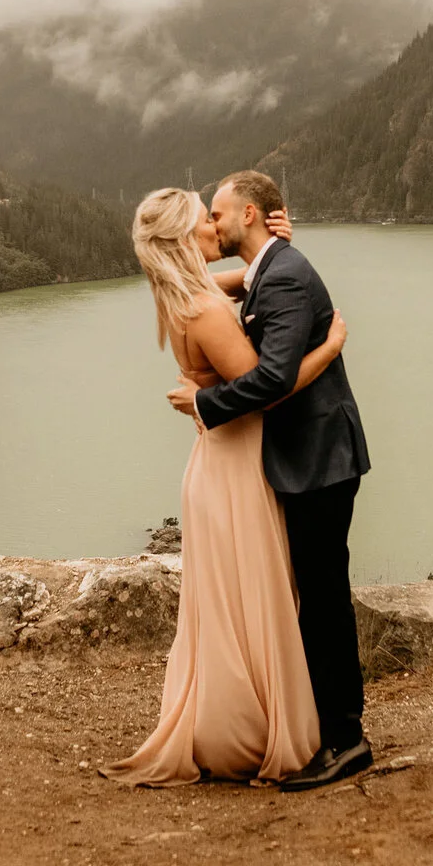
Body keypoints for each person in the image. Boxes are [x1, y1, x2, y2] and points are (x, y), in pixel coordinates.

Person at [110, 189, 352, 785]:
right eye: (203, 219)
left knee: (231, 601)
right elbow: (270, 386)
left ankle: (247, 717)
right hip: (238, 462)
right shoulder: (205, 308)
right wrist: (329, 347)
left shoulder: (183, 295)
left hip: (216, 462)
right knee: (256, 597)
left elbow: (248, 282)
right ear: (186, 239)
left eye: (215, 212)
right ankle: (257, 730)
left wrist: (273, 252)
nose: (213, 225)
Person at [167, 171, 373, 793]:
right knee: (308, 592)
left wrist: (207, 404)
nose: (214, 223)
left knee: (322, 597)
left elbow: (275, 379)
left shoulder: (281, 274)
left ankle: (346, 740)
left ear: (250, 214)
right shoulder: (269, 268)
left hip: (319, 461)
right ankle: (321, 726)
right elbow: (209, 283)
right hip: (306, 456)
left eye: (220, 214)